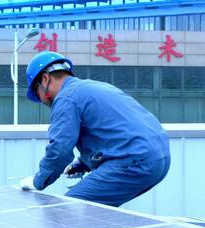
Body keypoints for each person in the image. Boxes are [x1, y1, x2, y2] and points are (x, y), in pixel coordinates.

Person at [18, 52, 170, 207]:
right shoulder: (94, 87)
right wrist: (83, 163)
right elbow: (112, 131)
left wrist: (38, 181)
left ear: (45, 79)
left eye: (37, 92)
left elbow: (59, 150)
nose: (41, 100)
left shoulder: (66, 98)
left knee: (71, 211)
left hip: (135, 162)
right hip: (160, 159)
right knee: (98, 215)